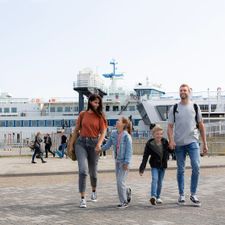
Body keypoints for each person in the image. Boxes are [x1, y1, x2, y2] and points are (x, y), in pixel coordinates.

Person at [167, 84, 208, 206]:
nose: (182, 92)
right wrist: (171, 140)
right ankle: (181, 194)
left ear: (189, 92)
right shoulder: (174, 108)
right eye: (180, 90)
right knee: (180, 170)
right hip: (179, 143)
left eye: (184, 90)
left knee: (196, 166)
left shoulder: (195, 106)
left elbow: (201, 125)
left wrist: (205, 144)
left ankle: (193, 194)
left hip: (193, 141)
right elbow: (169, 126)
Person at [68, 94, 107, 208]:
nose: (97, 104)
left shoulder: (100, 116)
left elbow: (103, 132)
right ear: (90, 102)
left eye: (98, 103)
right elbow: (76, 130)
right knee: (83, 171)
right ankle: (82, 198)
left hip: (94, 144)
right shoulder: (82, 114)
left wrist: (99, 144)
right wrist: (71, 145)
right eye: (95, 102)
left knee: (93, 173)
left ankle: (94, 191)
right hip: (81, 143)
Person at [99, 117, 133, 209]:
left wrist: (126, 163)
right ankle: (127, 191)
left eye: (119, 121)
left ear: (124, 124)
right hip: (117, 161)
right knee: (120, 181)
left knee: (120, 181)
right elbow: (108, 145)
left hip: (124, 162)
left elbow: (129, 151)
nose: (117, 122)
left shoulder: (127, 136)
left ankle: (124, 201)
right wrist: (99, 149)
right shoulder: (113, 134)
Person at [139, 125, 172, 205]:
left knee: (160, 182)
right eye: (157, 134)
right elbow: (145, 157)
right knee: (155, 179)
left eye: (160, 134)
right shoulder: (149, 144)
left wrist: (172, 148)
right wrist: (142, 168)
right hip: (154, 165)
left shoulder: (165, 142)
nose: (159, 136)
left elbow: (170, 151)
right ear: (153, 134)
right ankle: (153, 196)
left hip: (163, 165)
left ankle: (158, 197)